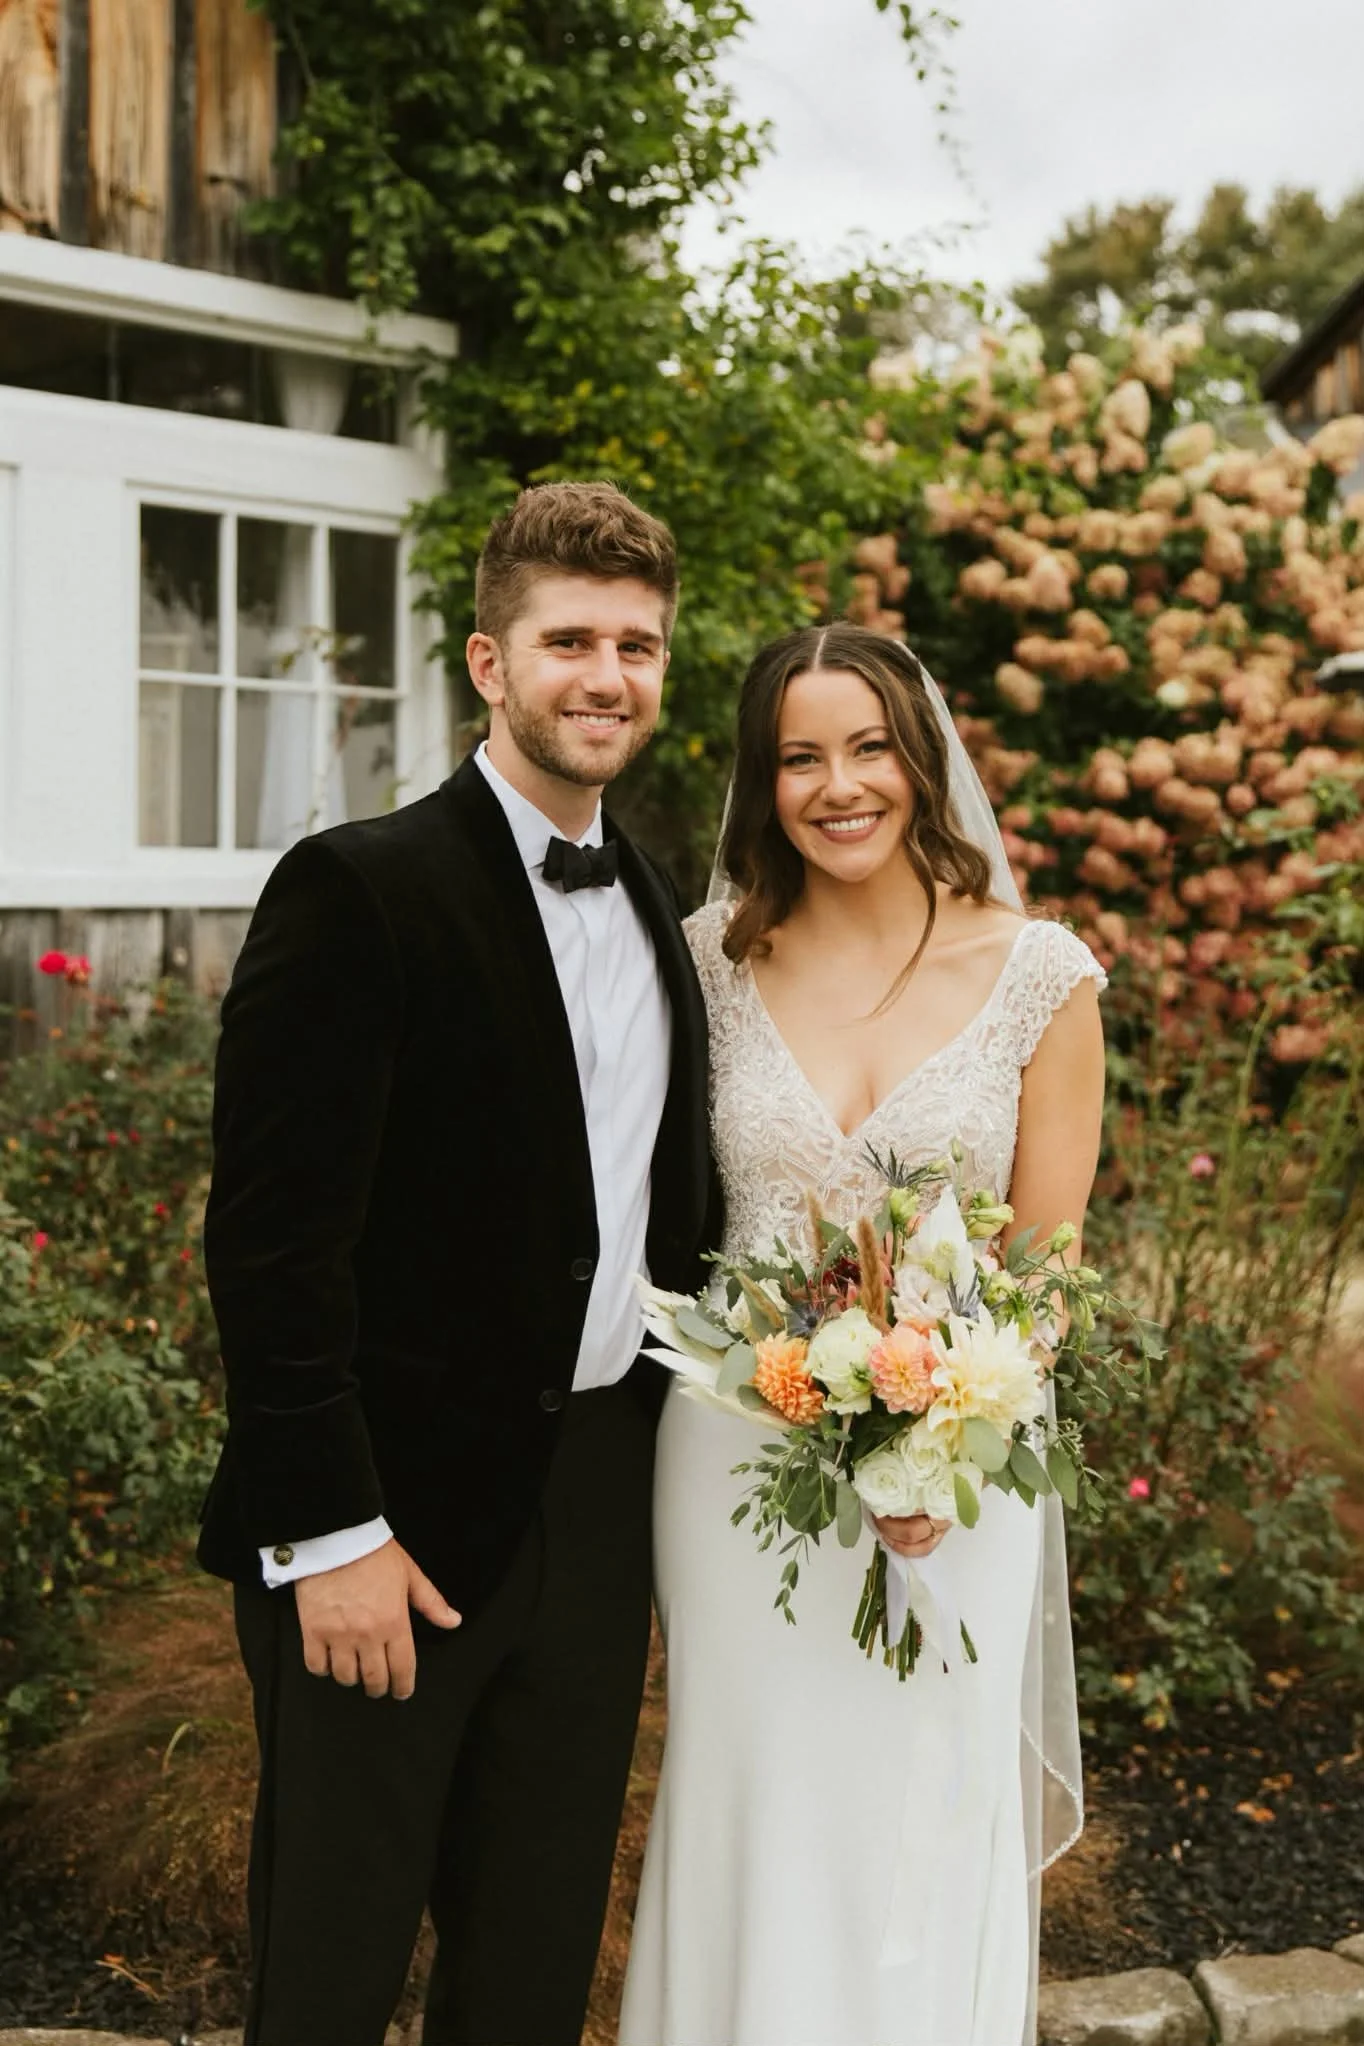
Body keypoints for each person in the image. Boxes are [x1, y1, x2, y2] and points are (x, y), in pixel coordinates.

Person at [197, 481, 715, 2046]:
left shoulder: (659, 891)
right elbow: (273, 1243)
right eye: (570, 639)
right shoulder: (358, 887)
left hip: (599, 1507)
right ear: (490, 663)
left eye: (636, 642)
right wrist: (332, 1528)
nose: (606, 673)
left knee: (531, 1968)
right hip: (389, 1527)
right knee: (332, 1973)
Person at [619, 622, 1106, 2046]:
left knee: (924, 1812)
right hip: (733, 1465)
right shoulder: (701, 959)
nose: (840, 784)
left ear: (923, 754)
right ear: (761, 782)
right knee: (752, 1791)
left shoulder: (1043, 975)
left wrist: (932, 1443)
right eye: (799, 756)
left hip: (961, 1477)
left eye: (869, 746)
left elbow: (1049, 1269)